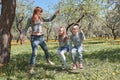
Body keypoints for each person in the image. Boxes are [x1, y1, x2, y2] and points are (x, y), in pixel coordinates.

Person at [21, 6, 59, 74]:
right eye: (40, 12)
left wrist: (55, 14)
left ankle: (48, 60)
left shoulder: (41, 18)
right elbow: (26, 27)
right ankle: (31, 68)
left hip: (41, 38)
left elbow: (49, 19)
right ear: (36, 12)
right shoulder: (30, 19)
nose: (41, 14)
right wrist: (23, 35)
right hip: (34, 38)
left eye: (41, 13)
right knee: (34, 53)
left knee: (46, 50)